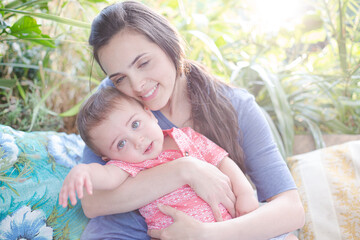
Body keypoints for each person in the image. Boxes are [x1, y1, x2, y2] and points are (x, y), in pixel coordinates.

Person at [80, 1, 305, 239]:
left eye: (144, 63)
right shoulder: (115, 105)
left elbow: (291, 209)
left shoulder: (236, 106)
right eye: (119, 78)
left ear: (170, 45)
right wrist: (185, 169)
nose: (136, 85)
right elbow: (92, 203)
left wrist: (207, 234)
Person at [59, 87, 259, 230]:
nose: (137, 140)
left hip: (231, 227)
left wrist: (245, 193)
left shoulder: (186, 136)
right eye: (121, 144)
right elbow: (105, 176)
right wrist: (83, 171)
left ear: (150, 115)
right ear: (107, 156)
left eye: (135, 124)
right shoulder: (127, 166)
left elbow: (222, 161)